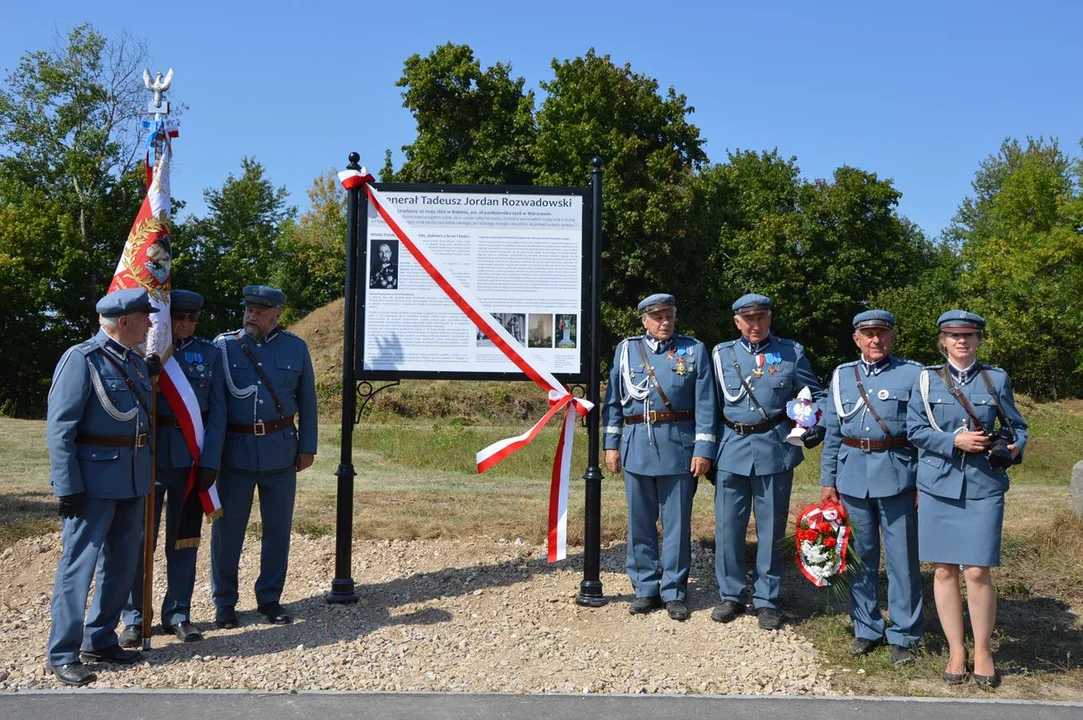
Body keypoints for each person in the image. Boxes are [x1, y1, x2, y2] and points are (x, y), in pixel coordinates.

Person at [907, 310, 1027, 689]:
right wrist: (953, 441)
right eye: (954, 336)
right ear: (943, 341)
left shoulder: (996, 378)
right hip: (938, 484)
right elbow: (913, 429)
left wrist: (1012, 448)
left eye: (969, 336)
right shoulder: (926, 380)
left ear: (978, 340)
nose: (961, 342)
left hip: (983, 485)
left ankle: (983, 651)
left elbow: (1018, 428)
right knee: (943, 570)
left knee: (976, 570)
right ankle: (956, 649)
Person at [44, 288, 157, 686]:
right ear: (123, 321)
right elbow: (61, 428)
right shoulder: (82, 359)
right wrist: (67, 485)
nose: (150, 322)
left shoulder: (135, 362)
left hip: (130, 477)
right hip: (91, 482)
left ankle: (100, 637)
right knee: (79, 565)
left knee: (122, 563)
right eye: (144, 316)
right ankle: (62, 652)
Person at [711, 293, 825, 630]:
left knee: (771, 530)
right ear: (737, 322)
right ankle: (730, 594)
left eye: (761, 318)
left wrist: (816, 423)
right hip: (731, 449)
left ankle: (767, 599)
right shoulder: (721, 354)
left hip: (775, 449)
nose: (755, 325)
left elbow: (814, 394)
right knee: (728, 529)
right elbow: (710, 406)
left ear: (770, 318)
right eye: (748, 320)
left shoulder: (791, 352)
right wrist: (708, 451)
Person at [119, 290, 226, 646]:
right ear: (165, 319)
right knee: (139, 541)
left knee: (184, 541)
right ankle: (135, 617)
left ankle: (178, 613)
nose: (184, 324)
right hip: (146, 460)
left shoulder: (210, 354)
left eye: (191, 318)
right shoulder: (139, 353)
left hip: (190, 460)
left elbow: (219, 414)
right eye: (177, 317)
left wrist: (210, 460)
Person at [603, 293, 717, 621]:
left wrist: (703, 449)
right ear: (644, 320)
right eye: (657, 317)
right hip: (637, 444)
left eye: (668, 315)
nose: (664, 322)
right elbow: (614, 400)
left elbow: (706, 404)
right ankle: (645, 588)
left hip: (679, 446)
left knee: (677, 524)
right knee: (640, 522)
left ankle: (674, 590)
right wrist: (612, 444)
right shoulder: (626, 351)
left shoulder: (693, 350)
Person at [819, 310, 923, 664]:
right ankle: (866, 627)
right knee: (859, 559)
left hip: (898, 477)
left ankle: (904, 633)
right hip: (852, 477)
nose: (875, 340)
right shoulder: (842, 375)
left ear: (892, 337)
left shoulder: (913, 374)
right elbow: (833, 430)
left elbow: (923, 434)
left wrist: (922, 483)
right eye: (868, 334)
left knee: (902, 560)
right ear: (857, 339)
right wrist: (827, 480)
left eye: (882, 333)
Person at [210, 285, 317, 627]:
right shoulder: (224, 347)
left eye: (260, 310)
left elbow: (309, 404)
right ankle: (224, 603)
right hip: (235, 453)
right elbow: (213, 405)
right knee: (227, 533)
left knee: (277, 530)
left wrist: (307, 447)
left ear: (277, 314)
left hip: (280, 452)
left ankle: (269, 598)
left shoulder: (296, 349)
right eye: (248, 309)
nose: (251, 315)